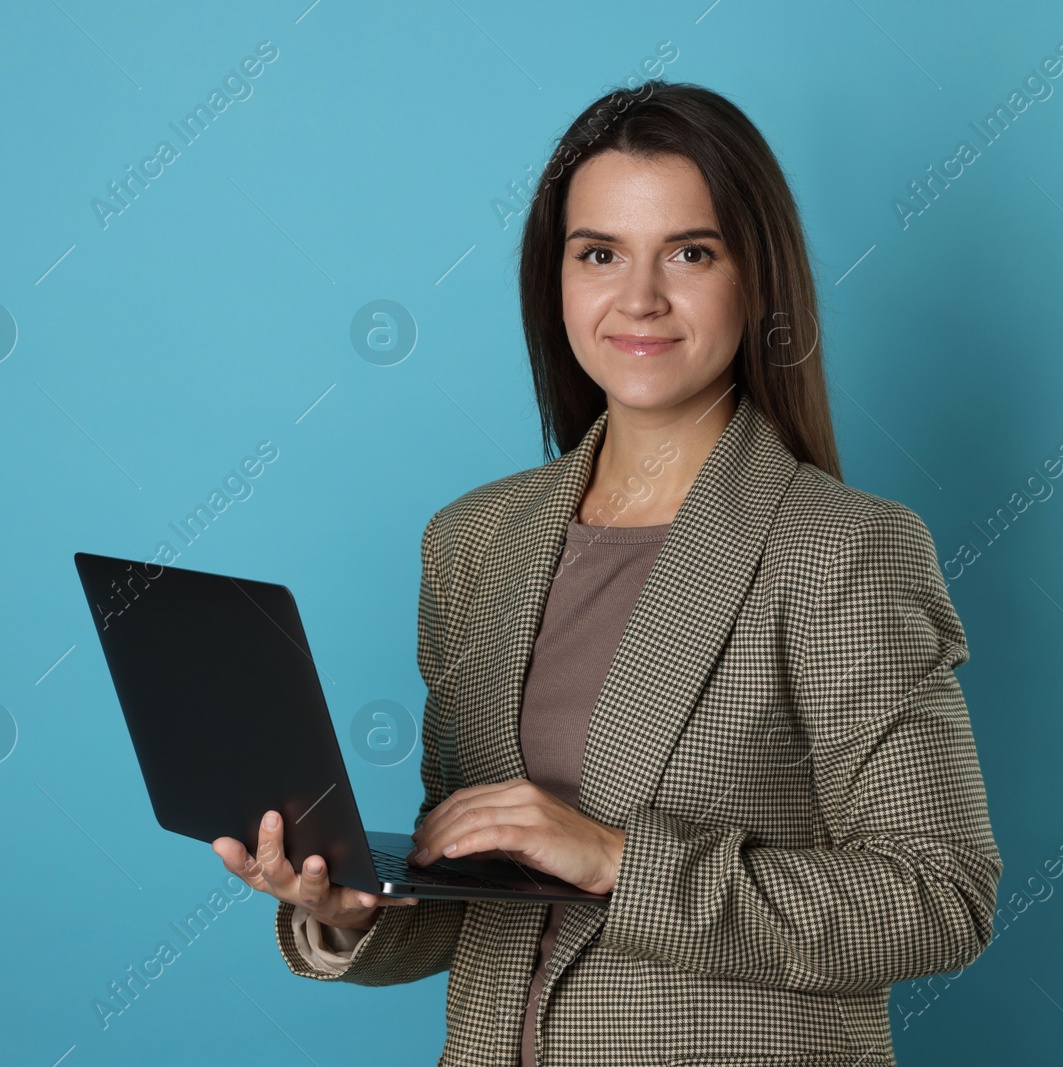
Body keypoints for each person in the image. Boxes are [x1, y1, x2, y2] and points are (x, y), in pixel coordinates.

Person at [212, 79, 1001, 1067]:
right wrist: (349, 907)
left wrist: (616, 859)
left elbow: (940, 896)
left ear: (756, 278)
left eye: (690, 252)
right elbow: (490, 903)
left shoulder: (842, 549)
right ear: (555, 278)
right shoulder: (472, 541)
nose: (639, 298)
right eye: (599, 254)